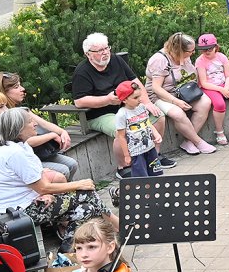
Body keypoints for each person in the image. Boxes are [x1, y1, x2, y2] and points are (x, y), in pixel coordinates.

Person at [0, 108, 108, 252]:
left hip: (24, 204)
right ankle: (112, 225)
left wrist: (44, 193)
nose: (35, 124)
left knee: (87, 209)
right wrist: (78, 184)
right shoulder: (14, 153)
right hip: (15, 214)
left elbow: (37, 181)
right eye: (30, 122)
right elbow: (43, 187)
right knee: (85, 193)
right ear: (18, 129)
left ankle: (68, 250)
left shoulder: (20, 146)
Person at [72, 33, 177, 177]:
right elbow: (79, 101)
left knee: (158, 116)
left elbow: (135, 81)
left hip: (128, 106)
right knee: (123, 129)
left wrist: (146, 102)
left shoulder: (115, 60)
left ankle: (154, 156)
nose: (105, 53)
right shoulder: (82, 72)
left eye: (106, 48)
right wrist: (107, 100)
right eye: (100, 51)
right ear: (88, 54)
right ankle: (123, 167)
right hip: (100, 113)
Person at [0, 71, 80, 176]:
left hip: (40, 153)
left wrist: (62, 132)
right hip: (25, 159)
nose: (22, 89)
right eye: (16, 87)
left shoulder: (22, 110)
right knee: (62, 170)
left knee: (72, 164)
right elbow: (24, 143)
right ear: (3, 92)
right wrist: (52, 135)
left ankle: (64, 191)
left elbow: (44, 124)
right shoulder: (5, 119)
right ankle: (56, 191)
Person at [142, 35, 214, 155]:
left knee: (205, 103)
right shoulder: (160, 60)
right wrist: (176, 102)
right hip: (160, 96)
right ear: (179, 50)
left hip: (183, 91)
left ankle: (188, 142)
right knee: (178, 113)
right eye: (190, 51)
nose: (193, 53)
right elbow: (156, 88)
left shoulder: (184, 56)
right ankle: (198, 141)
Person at [191, 33, 229, 146]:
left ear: (216, 47)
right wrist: (221, 90)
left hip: (224, 83)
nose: (207, 51)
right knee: (219, 104)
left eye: (210, 48)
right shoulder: (200, 61)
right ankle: (219, 131)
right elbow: (203, 83)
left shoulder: (221, 57)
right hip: (210, 87)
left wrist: (226, 87)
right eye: (203, 49)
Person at [112, 81, 163, 178]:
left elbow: (147, 123)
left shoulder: (142, 107)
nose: (139, 99)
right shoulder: (122, 114)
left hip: (150, 148)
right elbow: (121, 137)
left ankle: (156, 192)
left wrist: (156, 133)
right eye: (135, 98)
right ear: (124, 100)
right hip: (136, 152)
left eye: (140, 96)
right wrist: (126, 155)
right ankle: (145, 193)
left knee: (156, 174)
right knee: (142, 178)